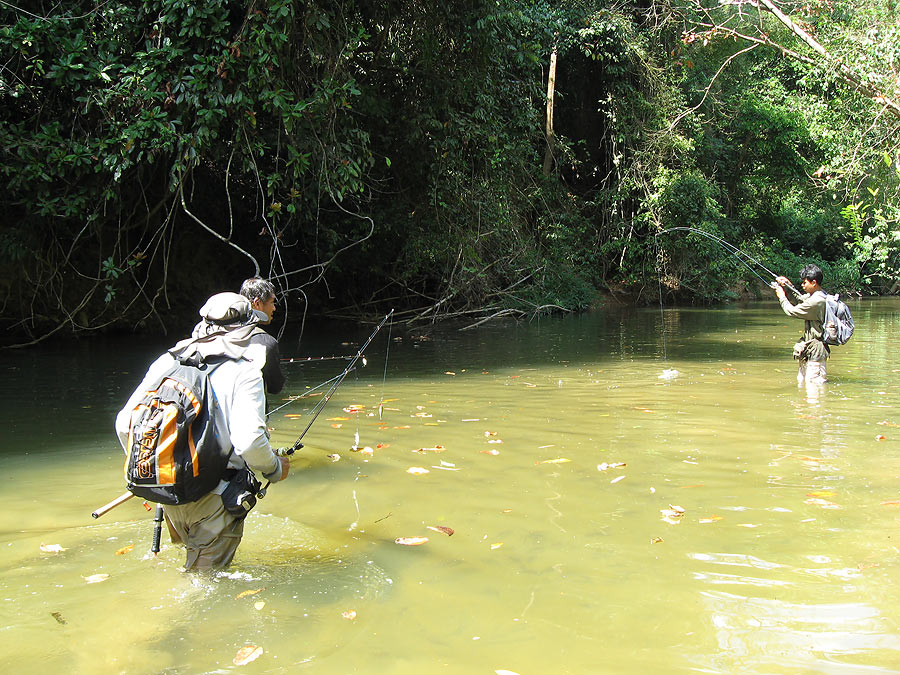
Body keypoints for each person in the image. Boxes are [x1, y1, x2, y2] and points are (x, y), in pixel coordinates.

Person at [115, 292, 290, 570]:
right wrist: (275, 469)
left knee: (190, 566)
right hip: (214, 498)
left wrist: (158, 465)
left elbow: (125, 423)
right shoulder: (245, 372)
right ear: (246, 329)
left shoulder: (167, 361)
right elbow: (249, 442)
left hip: (170, 494)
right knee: (203, 585)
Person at [772, 263, 829, 386]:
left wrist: (782, 296)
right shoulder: (817, 296)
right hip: (808, 347)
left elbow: (791, 311)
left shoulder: (817, 301)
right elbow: (801, 299)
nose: (802, 285)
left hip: (816, 350)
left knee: (814, 386)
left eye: (804, 283)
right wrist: (788, 286)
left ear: (814, 283)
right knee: (803, 383)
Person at [240, 276, 285, 395]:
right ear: (257, 303)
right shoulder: (265, 343)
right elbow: (275, 387)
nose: (274, 308)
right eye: (272, 302)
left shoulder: (213, 335)